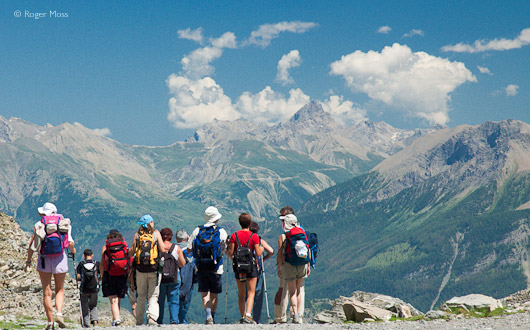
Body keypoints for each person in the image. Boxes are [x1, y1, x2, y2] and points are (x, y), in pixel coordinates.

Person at [25, 202, 76, 330]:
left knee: (47, 292)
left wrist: (28, 261)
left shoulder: (39, 224)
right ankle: (59, 313)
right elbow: (70, 243)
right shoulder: (64, 223)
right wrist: (73, 251)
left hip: (44, 259)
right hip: (60, 258)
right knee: (60, 289)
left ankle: (50, 322)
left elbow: (32, 244)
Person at [187, 206, 228, 325]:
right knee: (214, 293)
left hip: (200, 267)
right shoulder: (221, 231)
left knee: (205, 293)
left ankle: (208, 315)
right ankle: (213, 317)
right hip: (216, 267)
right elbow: (225, 248)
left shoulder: (197, 231)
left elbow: (189, 249)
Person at [129, 214, 166, 325]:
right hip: (153, 269)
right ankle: (152, 318)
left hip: (140, 270)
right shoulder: (156, 234)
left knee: (141, 295)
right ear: (150, 223)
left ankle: (139, 320)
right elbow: (163, 249)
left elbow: (131, 252)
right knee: (153, 295)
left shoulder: (137, 235)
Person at [228, 213, 264, 324]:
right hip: (251, 267)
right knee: (251, 292)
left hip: (239, 267)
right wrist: (262, 248)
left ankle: (242, 316)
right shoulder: (254, 236)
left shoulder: (234, 235)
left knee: (241, 293)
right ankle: (248, 315)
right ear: (250, 223)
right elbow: (258, 253)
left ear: (240, 223)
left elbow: (231, 253)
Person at [272, 206, 305, 324]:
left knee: (284, 291)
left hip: (287, 265)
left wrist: (278, 266)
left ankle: (280, 317)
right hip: (302, 265)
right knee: (299, 289)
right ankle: (297, 316)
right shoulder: (302, 233)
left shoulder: (283, 236)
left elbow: (280, 253)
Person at [100, 229, 129, 326]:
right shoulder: (123, 245)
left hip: (110, 275)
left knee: (113, 300)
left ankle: (116, 319)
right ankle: (116, 319)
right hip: (122, 274)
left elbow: (103, 263)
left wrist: (101, 275)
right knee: (118, 299)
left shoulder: (106, 247)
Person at [157, 228, 186, 324]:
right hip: (174, 276)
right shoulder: (176, 248)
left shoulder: (157, 247)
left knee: (159, 301)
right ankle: (174, 320)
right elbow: (182, 263)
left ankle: (158, 320)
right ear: (171, 237)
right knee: (173, 300)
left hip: (160, 277)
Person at [249, 222, 274, 323]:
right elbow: (271, 251)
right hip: (257, 269)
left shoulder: (245, 240)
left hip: (245, 270)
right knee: (258, 293)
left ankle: (246, 314)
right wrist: (263, 259)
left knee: (247, 292)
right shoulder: (259, 241)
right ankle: (256, 319)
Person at [76, 249, 100, 327]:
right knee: (93, 304)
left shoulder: (81, 264)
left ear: (84, 255)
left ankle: (86, 323)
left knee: (84, 304)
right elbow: (101, 273)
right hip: (94, 288)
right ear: (92, 255)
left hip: (84, 288)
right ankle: (94, 320)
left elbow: (78, 276)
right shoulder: (96, 264)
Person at [176, 229, 195, 324]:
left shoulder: (175, 249)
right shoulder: (191, 250)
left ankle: (176, 320)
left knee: (177, 299)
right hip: (190, 278)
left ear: (176, 239)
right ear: (187, 238)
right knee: (187, 299)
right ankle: (183, 320)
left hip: (177, 277)